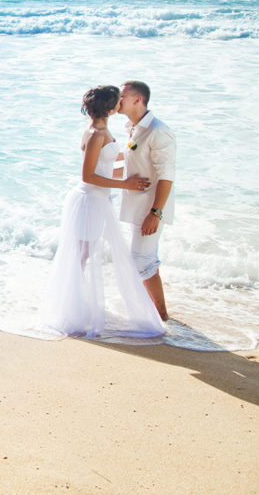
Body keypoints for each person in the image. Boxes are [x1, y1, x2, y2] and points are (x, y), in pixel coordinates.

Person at [41, 85, 166, 338]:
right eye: (118, 100)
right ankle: (68, 310)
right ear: (110, 108)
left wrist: (129, 171)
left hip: (98, 201)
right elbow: (88, 176)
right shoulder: (96, 134)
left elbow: (105, 165)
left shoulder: (101, 130)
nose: (121, 103)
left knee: (83, 255)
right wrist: (125, 185)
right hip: (89, 200)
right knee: (82, 256)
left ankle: (72, 305)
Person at [116, 80, 174, 321]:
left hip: (151, 208)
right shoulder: (133, 128)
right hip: (137, 205)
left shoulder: (158, 131)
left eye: (122, 96)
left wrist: (156, 212)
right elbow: (130, 165)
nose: (117, 100)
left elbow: (167, 176)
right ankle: (154, 310)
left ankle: (160, 315)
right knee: (147, 258)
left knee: (140, 260)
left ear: (137, 99)